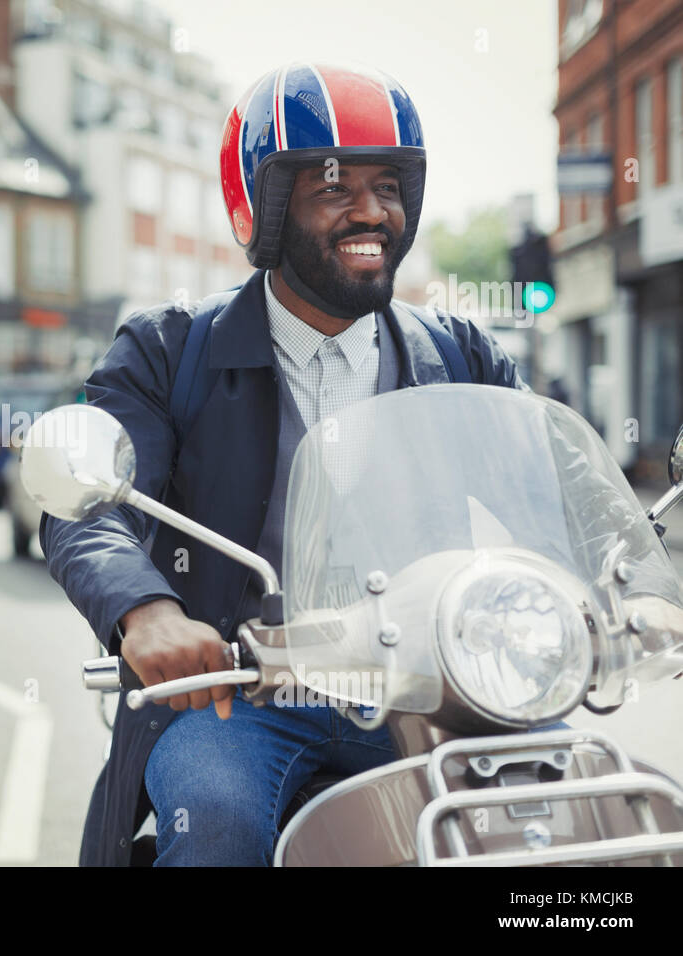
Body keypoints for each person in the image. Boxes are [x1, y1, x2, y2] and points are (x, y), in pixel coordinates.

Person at [40, 61, 530, 867]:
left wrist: (623, 586)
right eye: (335, 188)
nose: (372, 210)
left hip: (427, 687)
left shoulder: (463, 352)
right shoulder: (168, 350)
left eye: (389, 185)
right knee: (219, 824)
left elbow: (544, 491)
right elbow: (86, 504)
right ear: (266, 214)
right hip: (237, 699)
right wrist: (148, 613)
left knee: (558, 810)